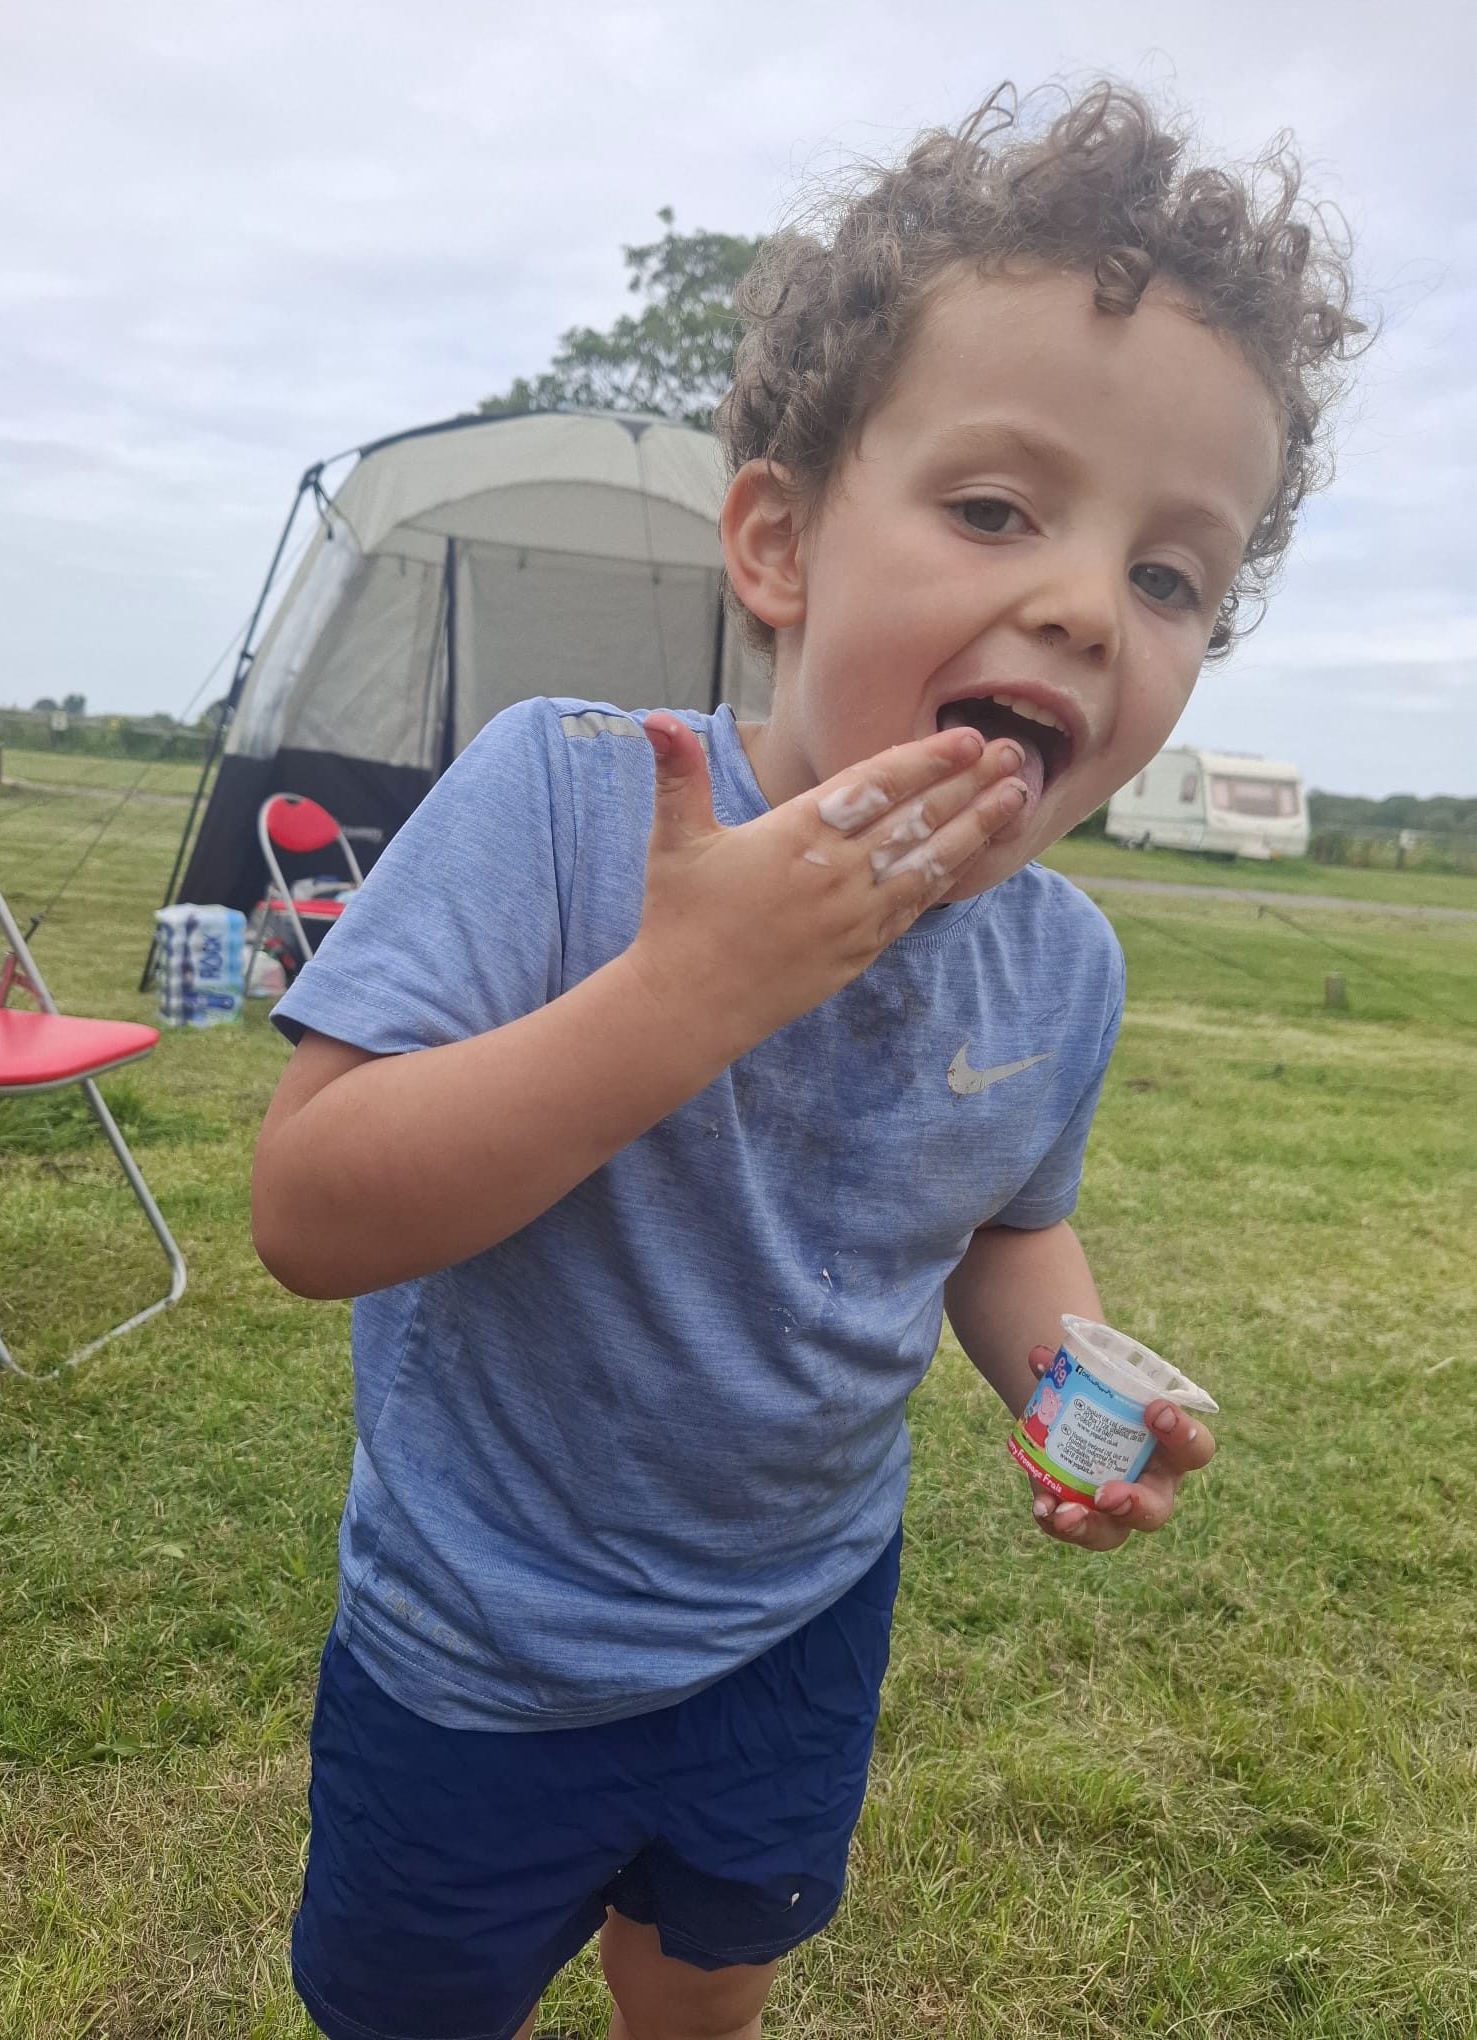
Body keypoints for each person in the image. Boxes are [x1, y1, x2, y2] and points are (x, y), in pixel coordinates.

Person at [252, 80, 1361, 2040]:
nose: (1084, 605)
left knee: (709, 1979)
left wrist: (1069, 1378)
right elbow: (312, 1213)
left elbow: (999, 1228)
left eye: (1170, 575)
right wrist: (686, 997)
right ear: (775, 543)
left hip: (796, 1623)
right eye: (995, 509)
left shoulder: (1060, 965)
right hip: (482, 1646)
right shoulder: (566, 799)